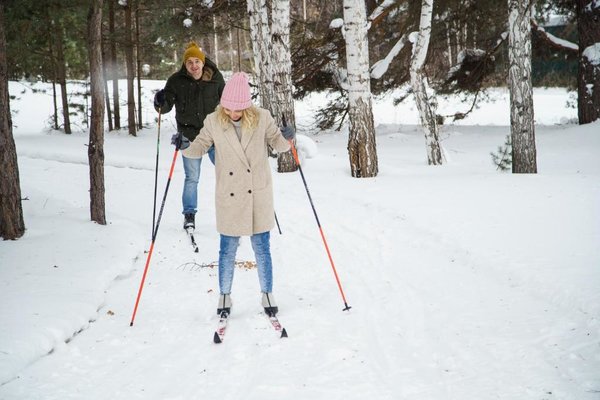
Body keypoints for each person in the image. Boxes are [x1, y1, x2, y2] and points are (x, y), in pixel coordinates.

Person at [177, 72, 295, 317]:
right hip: (229, 195)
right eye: (228, 108)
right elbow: (200, 146)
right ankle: (224, 296)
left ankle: (267, 293)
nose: (233, 114)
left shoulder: (262, 118)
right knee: (227, 248)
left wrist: (287, 137)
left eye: (238, 109)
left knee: (262, 247)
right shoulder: (213, 121)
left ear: (247, 105)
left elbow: (278, 144)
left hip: (257, 193)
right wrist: (185, 146)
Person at [153, 42, 225, 231]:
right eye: (189, 62)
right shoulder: (176, 81)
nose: (194, 65)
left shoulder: (215, 79)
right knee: (192, 178)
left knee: (229, 173)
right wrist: (160, 102)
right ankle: (189, 215)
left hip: (214, 136)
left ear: (203, 62)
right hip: (189, 137)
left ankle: (231, 210)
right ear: (185, 64)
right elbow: (165, 106)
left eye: (196, 61)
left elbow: (227, 103)